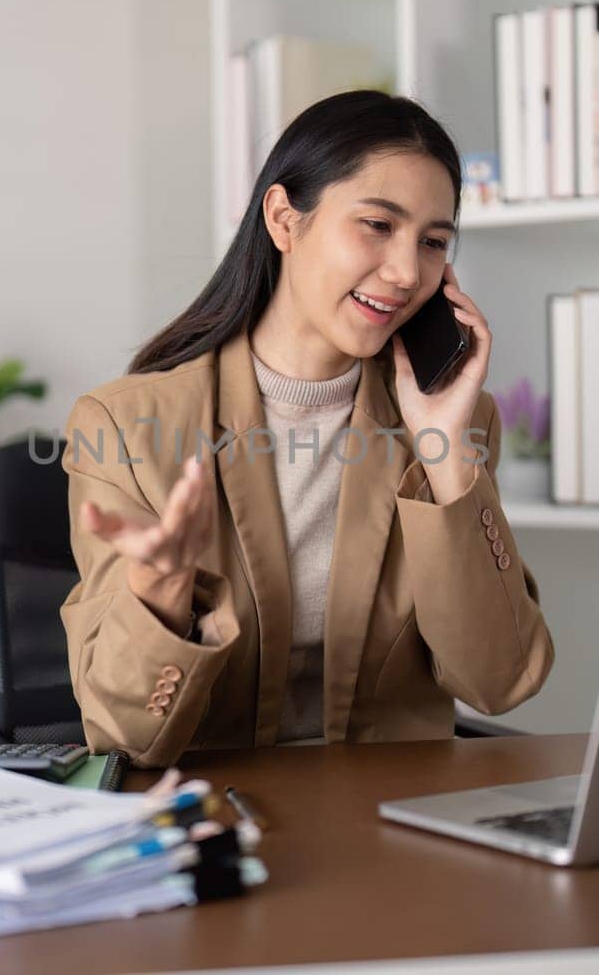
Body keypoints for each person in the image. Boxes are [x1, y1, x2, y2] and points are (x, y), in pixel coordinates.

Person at [58, 90, 553, 768]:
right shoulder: (128, 427)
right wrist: (161, 598)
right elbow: (122, 738)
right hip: (212, 824)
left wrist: (445, 457)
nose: (408, 272)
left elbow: (500, 680)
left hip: (397, 824)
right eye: (378, 225)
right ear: (284, 220)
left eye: (434, 242)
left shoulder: (455, 425)